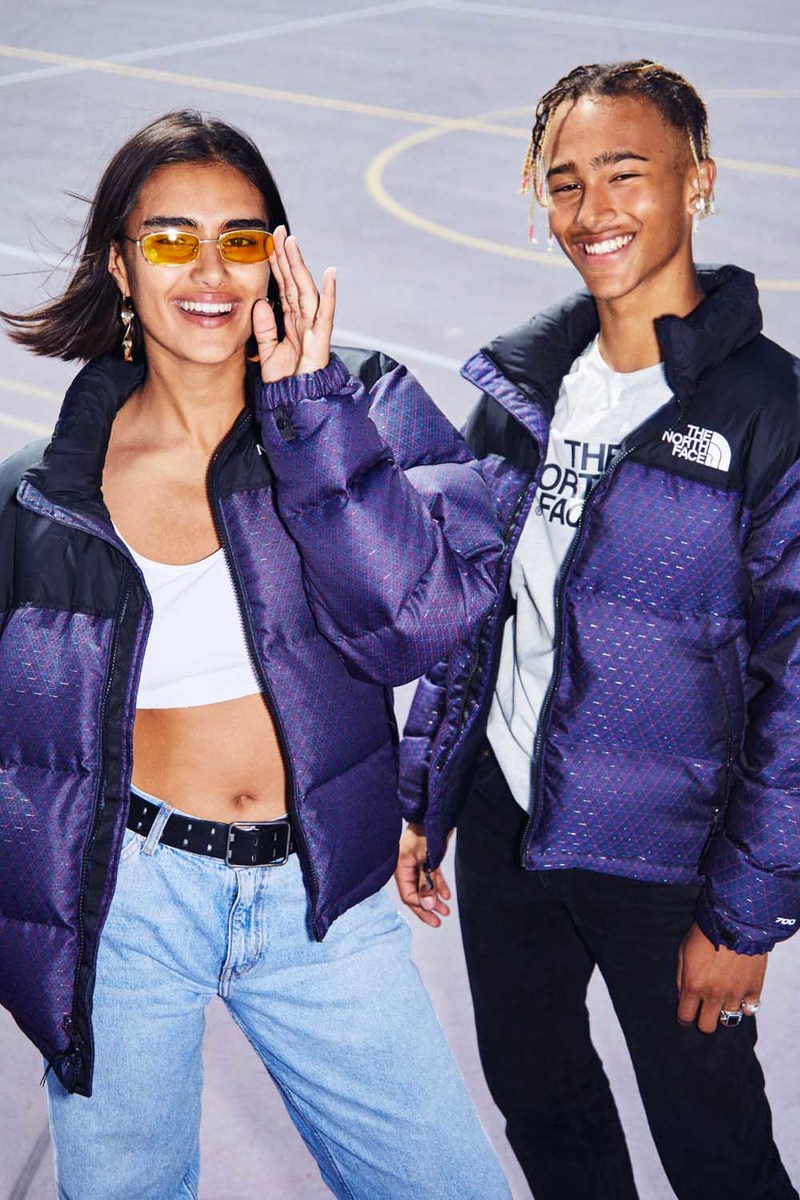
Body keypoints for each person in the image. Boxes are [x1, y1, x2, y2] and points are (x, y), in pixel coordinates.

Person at [0, 109, 511, 1200]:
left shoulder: (363, 404)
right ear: (119, 265)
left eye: (239, 238)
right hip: (128, 904)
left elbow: (426, 622)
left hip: (318, 899)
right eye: (169, 237)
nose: (208, 270)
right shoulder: (41, 494)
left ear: (276, 256)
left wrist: (307, 413)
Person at [396, 60, 800, 1200]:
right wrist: (429, 793)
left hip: (664, 859)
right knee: (541, 1100)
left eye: (625, 172)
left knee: (714, 1149)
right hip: (507, 824)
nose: (591, 210)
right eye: (564, 181)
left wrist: (746, 914)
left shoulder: (768, 411)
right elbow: (476, 617)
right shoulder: (522, 388)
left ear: (697, 180)